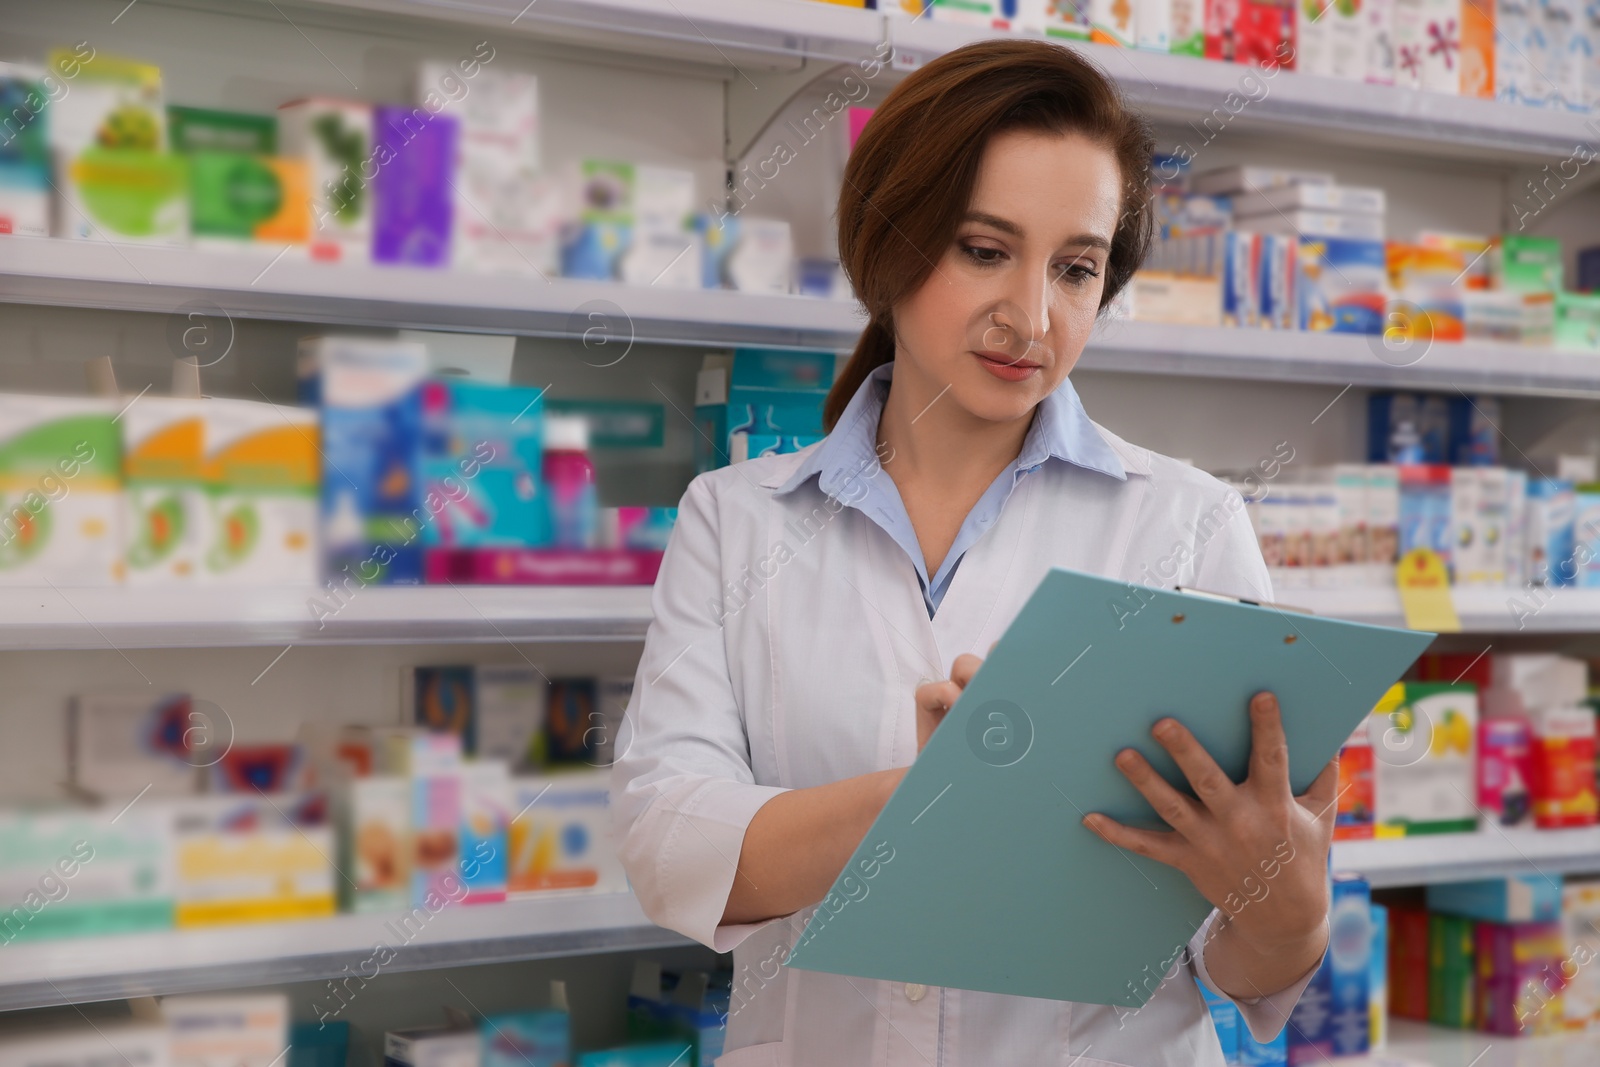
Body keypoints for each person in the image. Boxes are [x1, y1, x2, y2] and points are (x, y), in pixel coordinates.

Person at [612, 38, 1335, 1066]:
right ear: (888, 243)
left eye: (1076, 268)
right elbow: (668, 838)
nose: (1031, 316)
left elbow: (1239, 962)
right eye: (984, 249)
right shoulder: (737, 520)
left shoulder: (1189, 522)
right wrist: (931, 803)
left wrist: (1286, 903)